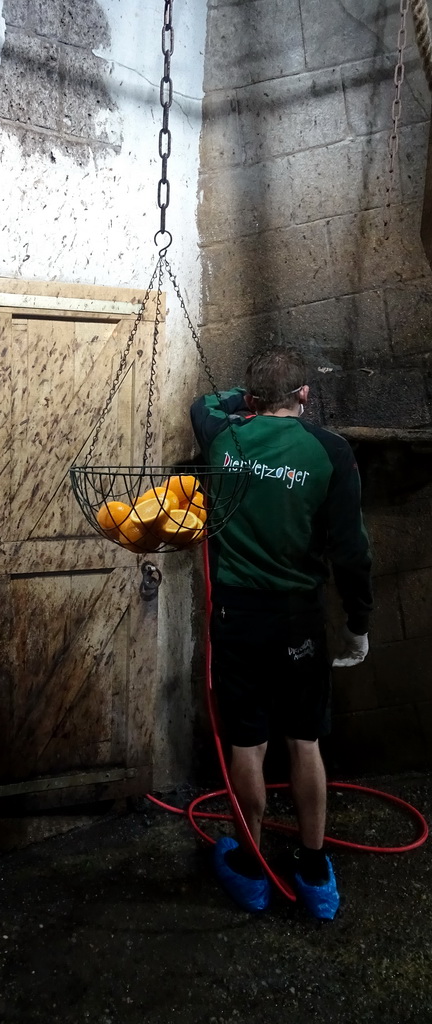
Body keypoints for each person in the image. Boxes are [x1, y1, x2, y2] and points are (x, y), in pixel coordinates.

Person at [190, 345, 372, 919]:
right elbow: (352, 550)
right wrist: (358, 623)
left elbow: (206, 400)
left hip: (238, 617)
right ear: (305, 396)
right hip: (300, 618)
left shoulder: (221, 434)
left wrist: (244, 403)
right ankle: (314, 873)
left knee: (248, 742)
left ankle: (251, 867)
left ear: (249, 400)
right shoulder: (330, 451)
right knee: (305, 740)